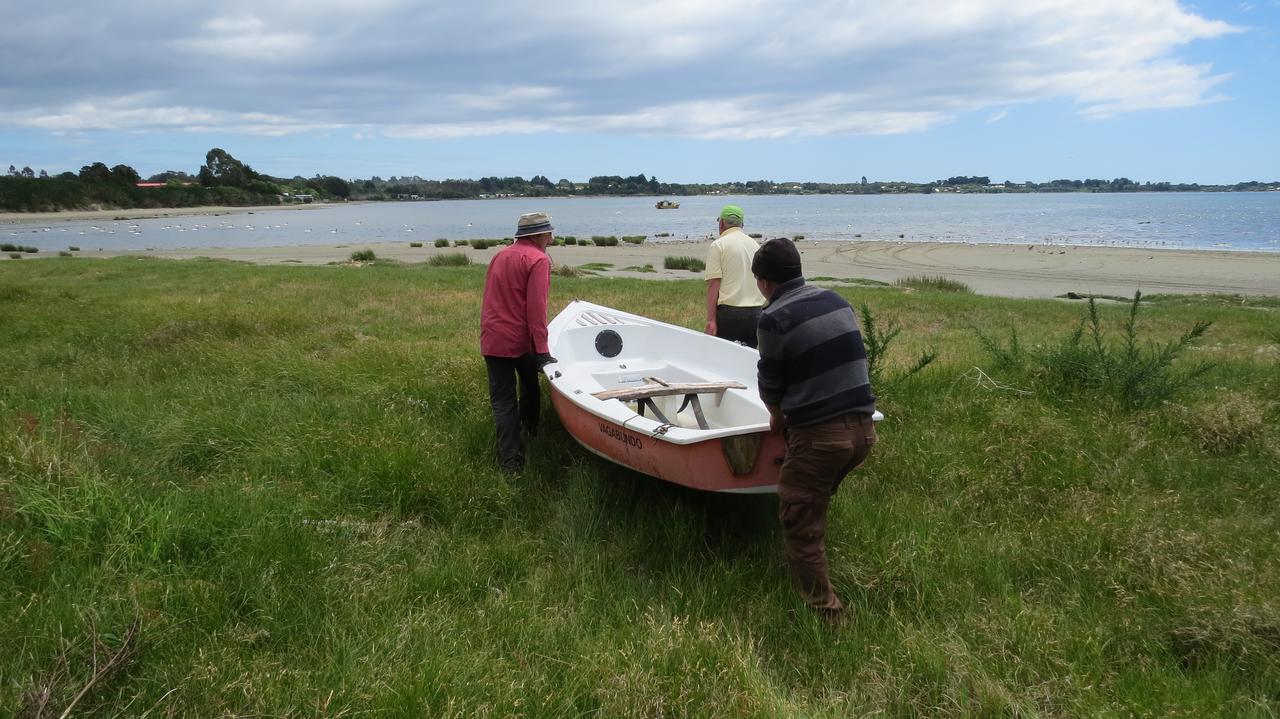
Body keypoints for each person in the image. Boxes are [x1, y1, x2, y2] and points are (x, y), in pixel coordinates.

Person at [752, 237, 877, 619]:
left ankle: (827, 612)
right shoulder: (836, 300)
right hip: (864, 432)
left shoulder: (774, 318)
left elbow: (770, 383)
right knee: (814, 500)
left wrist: (776, 416)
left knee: (800, 522)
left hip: (823, 437)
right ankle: (817, 563)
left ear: (764, 282)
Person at [480, 211, 558, 475]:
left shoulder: (500, 255)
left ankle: (510, 463)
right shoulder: (538, 259)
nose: (551, 237)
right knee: (529, 388)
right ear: (538, 235)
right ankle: (531, 432)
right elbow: (537, 310)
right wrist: (543, 352)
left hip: (492, 338)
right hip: (520, 341)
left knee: (503, 402)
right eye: (549, 232)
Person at [704, 204, 765, 347]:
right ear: (742, 224)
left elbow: (714, 284)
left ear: (721, 223)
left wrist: (711, 320)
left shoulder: (718, 245)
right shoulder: (755, 245)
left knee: (723, 358)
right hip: (756, 312)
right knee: (748, 357)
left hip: (729, 314)